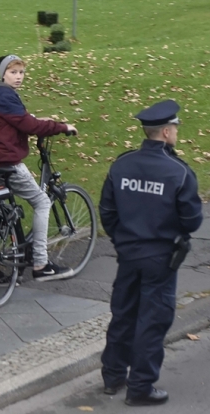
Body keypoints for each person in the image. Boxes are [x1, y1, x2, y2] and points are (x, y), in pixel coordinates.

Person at [99, 99, 203, 406]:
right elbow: (192, 219)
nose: (177, 133)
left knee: (123, 314)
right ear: (167, 132)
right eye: (175, 129)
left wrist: (122, 240)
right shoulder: (179, 172)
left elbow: (107, 211)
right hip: (160, 257)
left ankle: (113, 376)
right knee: (152, 320)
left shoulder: (122, 164)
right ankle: (140, 387)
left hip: (128, 254)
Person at [0, 54, 77, 282]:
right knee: (42, 202)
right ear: (3, 74)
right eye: (13, 72)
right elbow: (30, 126)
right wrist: (62, 127)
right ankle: (41, 264)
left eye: (21, 72)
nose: (18, 77)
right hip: (8, 163)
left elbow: (19, 120)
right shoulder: (6, 96)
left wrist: (35, 119)